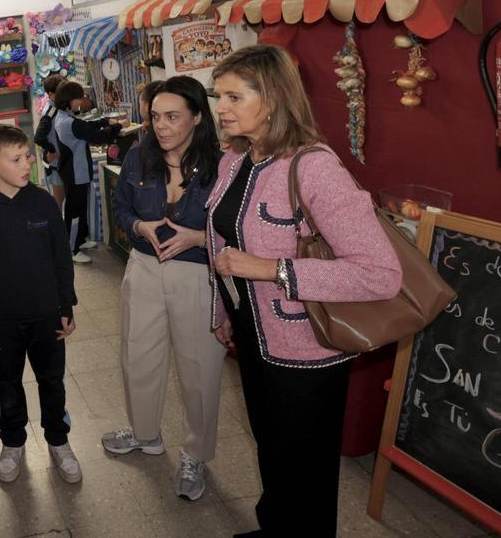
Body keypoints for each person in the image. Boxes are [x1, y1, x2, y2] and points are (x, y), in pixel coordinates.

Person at [207, 45, 401, 537]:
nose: (220, 107)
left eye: (233, 95)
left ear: (271, 99)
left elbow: (380, 273)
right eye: (218, 95)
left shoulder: (315, 168)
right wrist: (224, 309)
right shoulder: (235, 159)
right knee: (271, 448)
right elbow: (223, 240)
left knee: (307, 470)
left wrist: (273, 268)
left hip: (305, 352)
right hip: (253, 337)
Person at [102, 76, 224, 501]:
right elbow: (120, 206)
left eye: (173, 116)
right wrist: (138, 225)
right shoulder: (138, 156)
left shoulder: (223, 164)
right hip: (145, 268)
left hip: (197, 275)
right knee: (138, 356)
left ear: (196, 117)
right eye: (155, 117)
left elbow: (239, 229)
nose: (162, 126)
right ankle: (145, 433)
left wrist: (198, 238)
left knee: (200, 369)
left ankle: (196, 454)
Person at [0, 125, 81, 484]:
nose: (27, 164)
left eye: (27, 155)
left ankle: (59, 441)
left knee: (52, 381)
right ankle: (12, 442)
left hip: (45, 315)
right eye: (16, 159)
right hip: (3, 320)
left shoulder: (42, 201)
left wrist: (66, 305)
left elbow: (61, 259)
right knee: (7, 385)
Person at [51, 81, 125, 263]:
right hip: (76, 172)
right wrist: (118, 126)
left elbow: (86, 126)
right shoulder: (68, 122)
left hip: (74, 170)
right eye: (79, 97)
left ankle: (80, 240)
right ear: (69, 99)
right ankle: (72, 248)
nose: (82, 101)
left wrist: (106, 121)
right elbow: (99, 137)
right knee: (73, 210)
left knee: (80, 207)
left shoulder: (64, 116)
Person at [33, 74, 66, 208]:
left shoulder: (55, 107)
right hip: (55, 163)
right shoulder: (51, 112)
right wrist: (53, 150)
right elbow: (39, 137)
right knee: (58, 201)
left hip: (58, 162)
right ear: (52, 94)